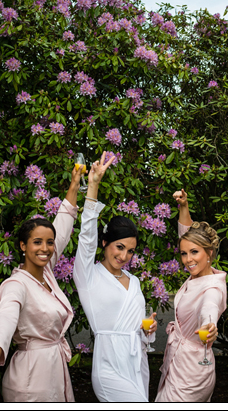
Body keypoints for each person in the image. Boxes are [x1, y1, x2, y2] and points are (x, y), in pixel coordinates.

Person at [0, 166, 83, 401]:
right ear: (23, 246)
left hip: (53, 370)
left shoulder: (45, 272)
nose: (45, 248)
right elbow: (7, 315)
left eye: (49, 243)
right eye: (37, 242)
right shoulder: (16, 284)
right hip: (31, 377)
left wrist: (74, 184)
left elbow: (64, 225)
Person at [72, 152, 157, 402]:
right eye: (119, 247)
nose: (124, 255)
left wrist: (148, 330)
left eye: (130, 250)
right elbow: (87, 234)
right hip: (109, 364)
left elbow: (140, 329)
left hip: (137, 362)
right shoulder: (88, 275)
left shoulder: (135, 281)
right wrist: (94, 184)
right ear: (106, 243)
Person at [155, 189, 227, 402]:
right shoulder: (199, 275)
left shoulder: (213, 288)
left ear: (210, 253)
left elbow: (209, 307)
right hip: (178, 362)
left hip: (191, 371)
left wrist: (209, 325)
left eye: (194, 252)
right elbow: (186, 236)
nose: (187, 260)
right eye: (184, 254)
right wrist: (183, 207)